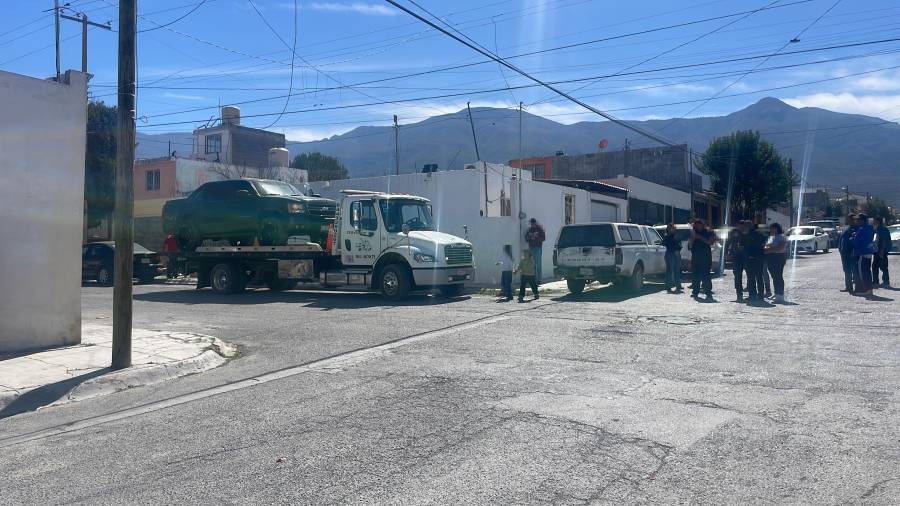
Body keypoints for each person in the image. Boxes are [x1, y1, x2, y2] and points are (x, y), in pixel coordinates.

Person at [688, 220, 716, 299]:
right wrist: (693, 238)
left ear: (702, 225)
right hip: (695, 256)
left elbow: (710, 242)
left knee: (706, 275)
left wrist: (700, 237)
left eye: (699, 225)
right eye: (696, 225)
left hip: (705, 257)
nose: (698, 227)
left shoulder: (708, 232)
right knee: (695, 275)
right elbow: (689, 246)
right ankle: (695, 292)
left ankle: (708, 292)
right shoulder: (693, 233)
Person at [852, 213, 876, 296]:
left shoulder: (862, 229)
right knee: (867, 271)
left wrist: (852, 237)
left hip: (862, 252)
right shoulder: (870, 228)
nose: (856, 221)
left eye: (858, 219)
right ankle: (869, 289)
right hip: (868, 251)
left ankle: (865, 290)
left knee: (862, 272)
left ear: (862, 220)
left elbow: (857, 241)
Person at [765, 223, 788, 303]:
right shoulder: (771, 237)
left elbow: (780, 247)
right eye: (771, 228)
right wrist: (767, 248)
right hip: (770, 257)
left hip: (778, 257)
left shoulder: (781, 236)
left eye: (773, 228)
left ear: (777, 228)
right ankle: (776, 293)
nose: (771, 230)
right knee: (774, 276)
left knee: (778, 276)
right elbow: (767, 245)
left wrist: (769, 250)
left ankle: (780, 295)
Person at [744, 222, 767, 302]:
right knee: (759, 277)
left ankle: (752, 295)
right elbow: (763, 245)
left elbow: (747, 247)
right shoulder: (761, 235)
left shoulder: (748, 235)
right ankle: (760, 295)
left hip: (751, 258)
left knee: (751, 278)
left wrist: (749, 255)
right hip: (759, 258)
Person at [838, 214, 858, 293]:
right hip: (844, 253)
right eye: (848, 219)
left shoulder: (856, 229)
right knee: (846, 270)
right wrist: (840, 249)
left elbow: (855, 241)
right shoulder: (846, 228)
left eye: (849, 219)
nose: (848, 221)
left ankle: (857, 287)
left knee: (854, 270)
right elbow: (841, 239)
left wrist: (853, 251)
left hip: (851, 253)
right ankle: (848, 287)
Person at [729, 222, 748, 301]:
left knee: (750, 275)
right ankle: (739, 295)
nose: (740, 227)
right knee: (737, 276)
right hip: (736, 256)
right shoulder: (733, 232)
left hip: (746, 257)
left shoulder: (747, 233)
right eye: (739, 225)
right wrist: (728, 253)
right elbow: (729, 242)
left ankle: (752, 294)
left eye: (742, 226)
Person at [662, 223, 683, 293]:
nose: (672, 229)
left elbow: (680, 245)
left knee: (677, 270)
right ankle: (668, 286)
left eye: (673, 228)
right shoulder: (667, 236)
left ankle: (678, 285)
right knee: (669, 270)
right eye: (671, 228)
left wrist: (678, 250)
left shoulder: (677, 236)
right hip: (670, 254)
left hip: (677, 253)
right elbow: (664, 243)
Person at [524, 218, 546, 282]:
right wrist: (529, 238)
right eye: (531, 223)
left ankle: (539, 279)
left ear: (535, 223)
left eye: (533, 223)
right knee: (532, 264)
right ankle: (534, 279)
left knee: (538, 264)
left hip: (538, 248)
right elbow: (526, 238)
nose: (532, 224)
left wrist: (536, 238)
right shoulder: (529, 230)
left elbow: (543, 238)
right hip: (531, 248)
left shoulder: (540, 229)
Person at [872, 217, 891, 288]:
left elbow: (883, 241)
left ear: (878, 221)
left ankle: (885, 282)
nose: (873, 222)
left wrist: (882, 252)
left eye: (874, 221)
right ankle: (876, 281)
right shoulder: (877, 229)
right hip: (877, 251)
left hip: (881, 251)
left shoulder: (882, 229)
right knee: (875, 266)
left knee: (883, 267)